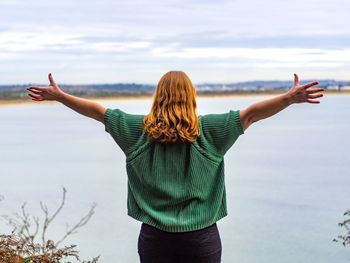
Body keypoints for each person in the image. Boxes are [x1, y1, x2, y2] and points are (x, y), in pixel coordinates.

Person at [27, 71, 324, 263]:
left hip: (155, 238)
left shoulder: (137, 131)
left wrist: (61, 96)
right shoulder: (210, 131)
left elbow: (98, 113)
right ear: (191, 97)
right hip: (202, 240)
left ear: (159, 97)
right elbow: (251, 115)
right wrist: (289, 98)